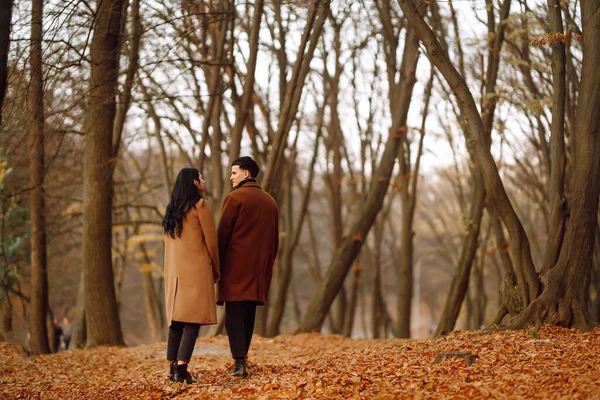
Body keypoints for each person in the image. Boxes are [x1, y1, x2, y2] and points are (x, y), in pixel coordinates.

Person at [217, 156, 279, 379]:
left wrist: (216, 265)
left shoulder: (234, 199)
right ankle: (242, 359)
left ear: (246, 174)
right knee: (248, 316)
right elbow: (275, 242)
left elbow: (222, 236)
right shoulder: (270, 202)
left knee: (234, 316)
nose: (231, 177)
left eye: (234, 172)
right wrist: (265, 266)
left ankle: (239, 364)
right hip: (257, 271)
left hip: (235, 269)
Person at [162, 168, 220, 384]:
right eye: (201, 178)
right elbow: (211, 242)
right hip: (194, 272)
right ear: (195, 182)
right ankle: (181, 369)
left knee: (176, 323)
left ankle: (172, 369)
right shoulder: (200, 206)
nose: (203, 181)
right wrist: (216, 267)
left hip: (174, 275)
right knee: (191, 323)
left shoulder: (172, 210)